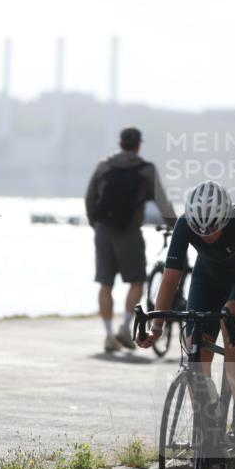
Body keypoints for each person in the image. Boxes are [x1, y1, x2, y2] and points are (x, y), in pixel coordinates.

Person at [138, 180, 235, 446]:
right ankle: (208, 423)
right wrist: (156, 327)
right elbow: (169, 281)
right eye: (199, 231)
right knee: (195, 351)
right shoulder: (185, 224)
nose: (206, 235)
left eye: (212, 229)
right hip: (208, 278)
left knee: (230, 326)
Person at [85, 127, 176, 353]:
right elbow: (162, 202)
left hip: (103, 230)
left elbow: (89, 198)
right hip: (129, 231)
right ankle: (125, 327)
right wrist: (176, 226)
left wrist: (94, 223)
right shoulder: (145, 170)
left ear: (120, 143)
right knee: (136, 281)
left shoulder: (103, 165)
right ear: (138, 145)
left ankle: (107, 335)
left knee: (105, 283)